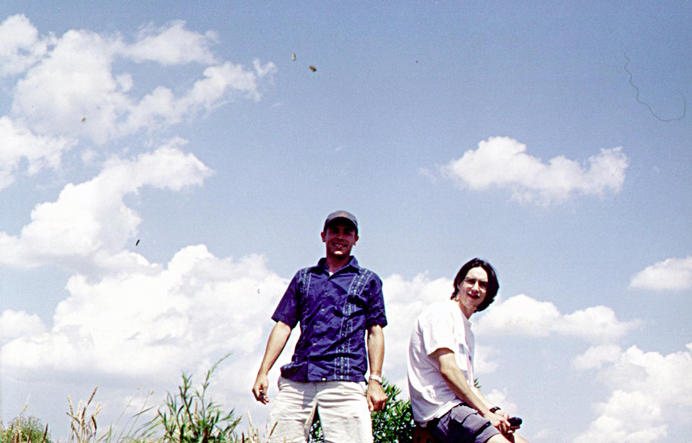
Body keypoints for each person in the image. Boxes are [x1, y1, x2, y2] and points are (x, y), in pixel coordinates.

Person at [252, 210, 388, 443]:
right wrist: (263, 372)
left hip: (344, 380)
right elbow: (284, 325)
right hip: (299, 379)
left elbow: (375, 331)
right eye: (334, 231)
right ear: (323, 235)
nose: (340, 236)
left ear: (356, 239)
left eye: (347, 232)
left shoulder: (369, 280)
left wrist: (375, 380)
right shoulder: (304, 278)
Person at [407, 258, 528, 443]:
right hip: (443, 411)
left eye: (483, 285)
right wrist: (485, 413)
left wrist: (495, 411)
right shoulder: (441, 313)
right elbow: (449, 370)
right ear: (459, 283)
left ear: (488, 293)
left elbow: (468, 385)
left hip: (461, 408)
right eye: (471, 281)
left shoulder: (466, 329)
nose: (475, 288)